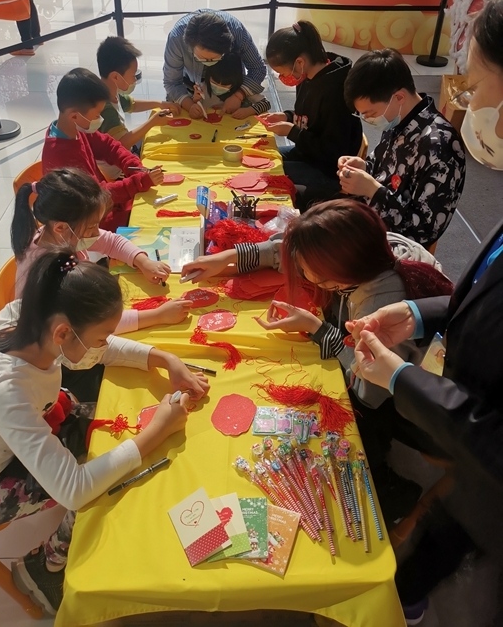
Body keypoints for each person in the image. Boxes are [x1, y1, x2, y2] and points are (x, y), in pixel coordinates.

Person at [347, 0, 503, 625]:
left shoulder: (436, 146)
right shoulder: (396, 134)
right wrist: (420, 316)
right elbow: (482, 289)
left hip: (482, 456)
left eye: (478, 87)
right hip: (470, 451)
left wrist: (400, 376)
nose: (471, 104)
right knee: (435, 544)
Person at [0, 249, 208, 615]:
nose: (104, 343)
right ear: (63, 332)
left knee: (105, 433)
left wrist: (165, 359)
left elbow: (98, 349)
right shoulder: (6, 390)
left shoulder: (28, 318)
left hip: (2, 437)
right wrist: (158, 430)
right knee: (101, 481)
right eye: (102, 336)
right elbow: (73, 489)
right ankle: (45, 567)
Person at [182, 200, 452, 522]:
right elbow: (284, 253)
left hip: (415, 410)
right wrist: (226, 258)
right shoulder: (361, 255)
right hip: (388, 378)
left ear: (339, 275)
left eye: (316, 278)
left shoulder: (379, 301)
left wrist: (317, 328)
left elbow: (369, 390)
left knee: (351, 424)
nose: (304, 276)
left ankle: (386, 484)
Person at [12, 167, 191, 316]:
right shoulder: (54, 273)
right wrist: (157, 315)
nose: (97, 233)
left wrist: (143, 261)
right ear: (61, 227)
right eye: (91, 227)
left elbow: (111, 241)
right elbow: (91, 324)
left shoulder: (56, 235)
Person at [340, 48, 466, 248]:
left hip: (391, 246)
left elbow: (423, 232)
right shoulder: (398, 121)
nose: (367, 120)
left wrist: (374, 191)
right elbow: (379, 167)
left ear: (399, 97)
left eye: (370, 113)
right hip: (366, 222)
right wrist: (363, 167)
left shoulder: (441, 148)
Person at [41, 68, 164, 232]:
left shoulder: (76, 129)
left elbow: (109, 146)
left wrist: (135, 167)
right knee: (154, 222)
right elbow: (97, 197)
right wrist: (138, 182)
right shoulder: (61, 157)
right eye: (96, 115)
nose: (100, 120)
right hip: (92, 226)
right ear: (74, 116)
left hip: (105, 206)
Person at [262, 21, 362, 204]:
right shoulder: (307, 77)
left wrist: (292, 131)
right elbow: (310, 116)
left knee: (268, 176)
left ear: (300, 62)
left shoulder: (335, 93)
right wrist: (288, 116)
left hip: (327, 170)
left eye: (283, 73)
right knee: (262, 158)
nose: (283, 78)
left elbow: (332, 152)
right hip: (307, 153)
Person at [96, 36, 180, 174]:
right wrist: (152, 122)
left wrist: (160, 104)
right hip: (117, 172)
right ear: (115, 76)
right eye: (133, 75)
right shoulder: (105, 108)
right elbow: (122, 143)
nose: (135, 79)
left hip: (125, 157)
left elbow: (132, 105)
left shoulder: (111, 91)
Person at [163, 9, 266, 119]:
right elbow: (172, 82)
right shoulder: (177, 40)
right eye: (202, 58)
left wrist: (238, 95)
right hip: (190, 88)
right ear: (191, 47)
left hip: (232, 89)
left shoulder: (237, 32)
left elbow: (258, 68)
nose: (209, 64)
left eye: (214, 59)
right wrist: (190, 106)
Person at [197, 52, 271, 119]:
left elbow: (266, 103)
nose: (218, 87)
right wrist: (194, 107)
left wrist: (248, 111)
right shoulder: (202, 88)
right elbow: (195, 104)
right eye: (214, 82)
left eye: (225, 85)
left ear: (236, 82)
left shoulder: (243, 88)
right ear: (208, 75)